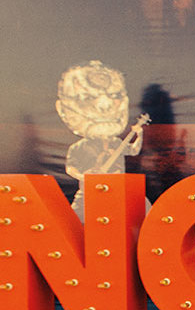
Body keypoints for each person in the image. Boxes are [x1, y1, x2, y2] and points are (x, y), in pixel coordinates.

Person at [57, 61, 145, 218]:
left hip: (118, 192)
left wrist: (139, 134)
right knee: (74, 223)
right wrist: (84, 177)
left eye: (115, 96)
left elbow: (134, 150)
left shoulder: (117, 143)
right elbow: (71, 168)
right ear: (62, 109)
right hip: (88, 194)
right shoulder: (78, 147)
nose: (105, 105)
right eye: (86, 97)